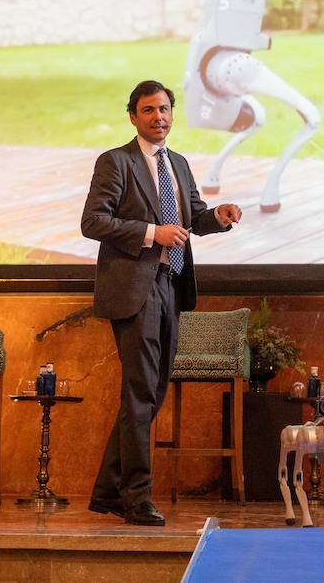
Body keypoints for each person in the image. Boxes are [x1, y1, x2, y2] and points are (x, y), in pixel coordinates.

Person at [83, 79, 243, 526]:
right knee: (140, 394)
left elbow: (191, 216)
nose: (160, 117)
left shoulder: (180, 164)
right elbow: (93, 221)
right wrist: (153, 233)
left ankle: (107, 491)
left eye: (166, 109)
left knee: (151, 394)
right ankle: (137, 498)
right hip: (134, 287)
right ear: (133, 116)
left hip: (172, 284)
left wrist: (218, 217)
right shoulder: (116, 162)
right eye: (149, 110)